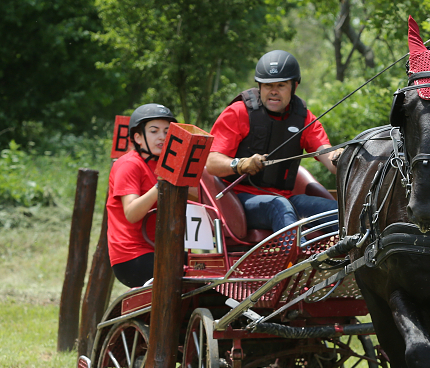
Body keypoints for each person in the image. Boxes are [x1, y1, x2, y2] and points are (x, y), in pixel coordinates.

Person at [206, 50, 340, 233]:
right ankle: (302, 257)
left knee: (338, 212)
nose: (274, 92)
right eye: (268, 86)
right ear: (260, 86)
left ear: (294, 86)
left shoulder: (305, 119)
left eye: (281, 85)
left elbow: (328, 156)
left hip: (286, 200)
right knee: (279, 206)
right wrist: (241, 164)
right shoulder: (238, 112)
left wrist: (340, 157)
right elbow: (211, 163)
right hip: (239, 200)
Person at [106, 103, 176, 287]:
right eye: (154, 131)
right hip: (132, 256)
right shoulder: (128, 164)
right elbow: (131, 213)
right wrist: (160, 186)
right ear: (138, 137)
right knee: (183, 277)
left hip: (164, 248)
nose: (162, 137)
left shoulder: (168, 163)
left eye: (167, 131)